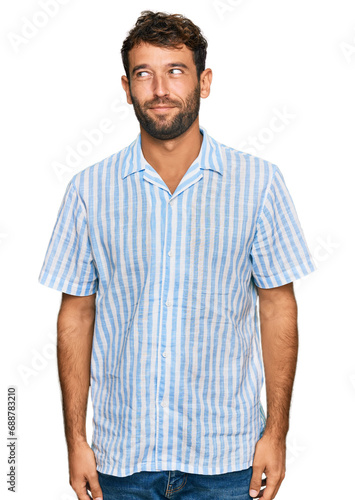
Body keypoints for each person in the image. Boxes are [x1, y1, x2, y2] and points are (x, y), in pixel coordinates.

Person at [38, 10, 316, 500]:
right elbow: (76, 316)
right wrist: (76, 440)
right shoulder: (90, 191)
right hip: (121, 461)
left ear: (203, 82)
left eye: (176, 71)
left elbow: (277, 308)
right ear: (126, 88)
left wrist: (276, 435)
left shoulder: (259, 184)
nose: (159, 88)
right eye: (144, 74)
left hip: (228, 463)